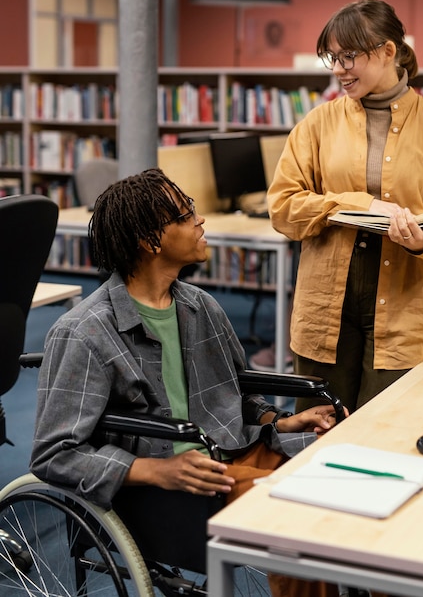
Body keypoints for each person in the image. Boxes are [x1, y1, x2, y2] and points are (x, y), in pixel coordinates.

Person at [30, 168, 348, 597]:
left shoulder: (201, 306)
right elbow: (55, 453)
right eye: (185, 215)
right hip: (166, 488)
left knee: (348, 479)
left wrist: (281, 421)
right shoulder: (84, 333)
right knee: (294, 516)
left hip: (233, 449)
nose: (200, 221)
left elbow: (236, 394)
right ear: (151, 241)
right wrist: (157, 470)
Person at [267, 0, 423, 414]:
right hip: (324, 310)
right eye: (332, 57)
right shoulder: (317, 124)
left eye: (349, 56)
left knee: (388, 435)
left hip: (405, 311)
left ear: (387, 51)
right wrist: (359, 205)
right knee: (316, 432)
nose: (338, 69)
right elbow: (282, 208)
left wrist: (421, 244)